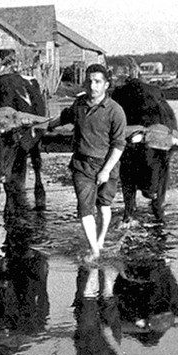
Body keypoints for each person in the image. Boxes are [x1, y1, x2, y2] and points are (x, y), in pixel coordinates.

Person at [48, 64, 127, 264]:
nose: (93, 86)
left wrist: (106, 171)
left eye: (97, 82)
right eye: (89, 81)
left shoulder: (115, 111)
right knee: (84, 208)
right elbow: (64, 118)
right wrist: (44, 126)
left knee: (103, 206)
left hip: (107, 165)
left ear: (106, 85)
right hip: (82, 165)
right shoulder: (79, 105)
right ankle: (95, 250)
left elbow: (119, 144)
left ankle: (100, 240)